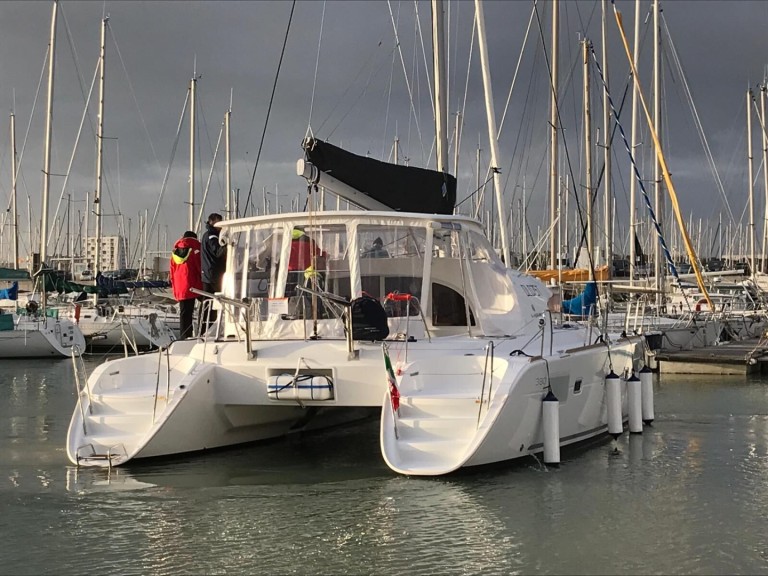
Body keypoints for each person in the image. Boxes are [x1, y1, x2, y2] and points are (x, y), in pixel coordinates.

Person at [170, 230, 202, 339]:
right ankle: (204, 330)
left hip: (180, 285)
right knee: (208, 304)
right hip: (193, 283)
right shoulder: (196, 248)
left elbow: (172, 270)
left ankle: (184, 336)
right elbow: (199, 266)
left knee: (185, 313)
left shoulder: (175, 252)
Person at [201, 213, 227, 330]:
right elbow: (217, 251)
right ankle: (211, 328)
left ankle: (205, 329)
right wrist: (228, 246)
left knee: (208, 304)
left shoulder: (207, 235)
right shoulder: (212, 236)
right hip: (214, 275)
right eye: (218, 222)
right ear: (211, 222)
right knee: (216, 303)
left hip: (207, 274)